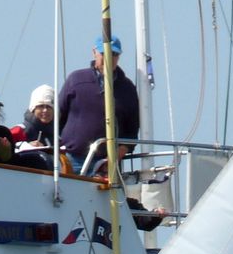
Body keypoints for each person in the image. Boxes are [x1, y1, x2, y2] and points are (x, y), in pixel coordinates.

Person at [57, 35, 139, 174]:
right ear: (94, 52)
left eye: (114, 54)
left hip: (107, 165)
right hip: (72, 159)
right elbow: (58, 118)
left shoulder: (127, 88)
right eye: (104, 53)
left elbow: (132, 131)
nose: (109, 58)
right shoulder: (76, 80)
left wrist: (120, 152)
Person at [9, 84, 57, 171]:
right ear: (33, 109)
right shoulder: (19, 131)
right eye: (41, 106)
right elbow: (5, 151)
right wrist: (26, 146)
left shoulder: (58, 137)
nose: (45, 110)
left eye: (49, 107)